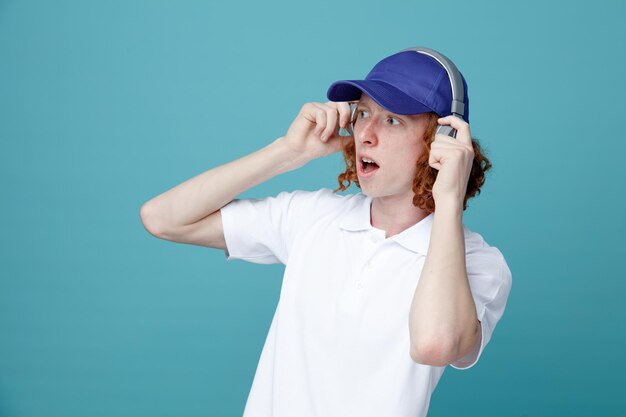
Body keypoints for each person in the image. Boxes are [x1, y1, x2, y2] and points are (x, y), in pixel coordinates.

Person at [140, 48, 512, 417]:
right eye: (363, 113)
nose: (365, 134)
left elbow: (434, 345)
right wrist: (287, 153)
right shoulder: (311, 216)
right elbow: (163, 218)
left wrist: (447, 197)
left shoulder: (478, 264)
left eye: (392, 120)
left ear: (443, 139)